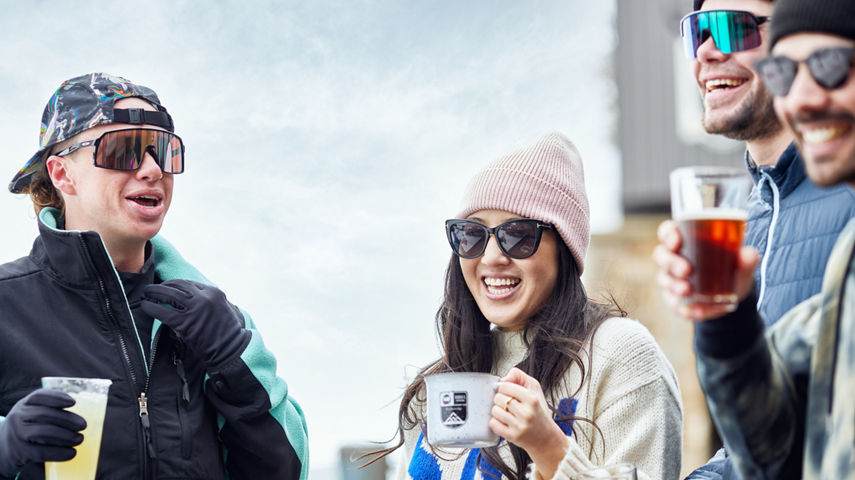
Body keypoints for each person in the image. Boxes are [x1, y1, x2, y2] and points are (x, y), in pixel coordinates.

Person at [0, 73, 309, 479]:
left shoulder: (217, 319)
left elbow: (287, 471)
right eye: (123, 149)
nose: (151, 169)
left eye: (163, 151)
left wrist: (237, 363)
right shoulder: (7, 308)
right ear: (61, 174)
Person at [371, 133, 683, 480]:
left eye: (517, 235)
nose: (491, 257)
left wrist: (549, 448)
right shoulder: (434, 391)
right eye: (472, 235)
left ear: (564, 249)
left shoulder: (622, 356)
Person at [656, 0, 855, 477]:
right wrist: (726, 320)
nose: (705, 50)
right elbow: (773, 450)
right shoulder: (745, 219)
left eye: (731, 29)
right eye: (697, 31)